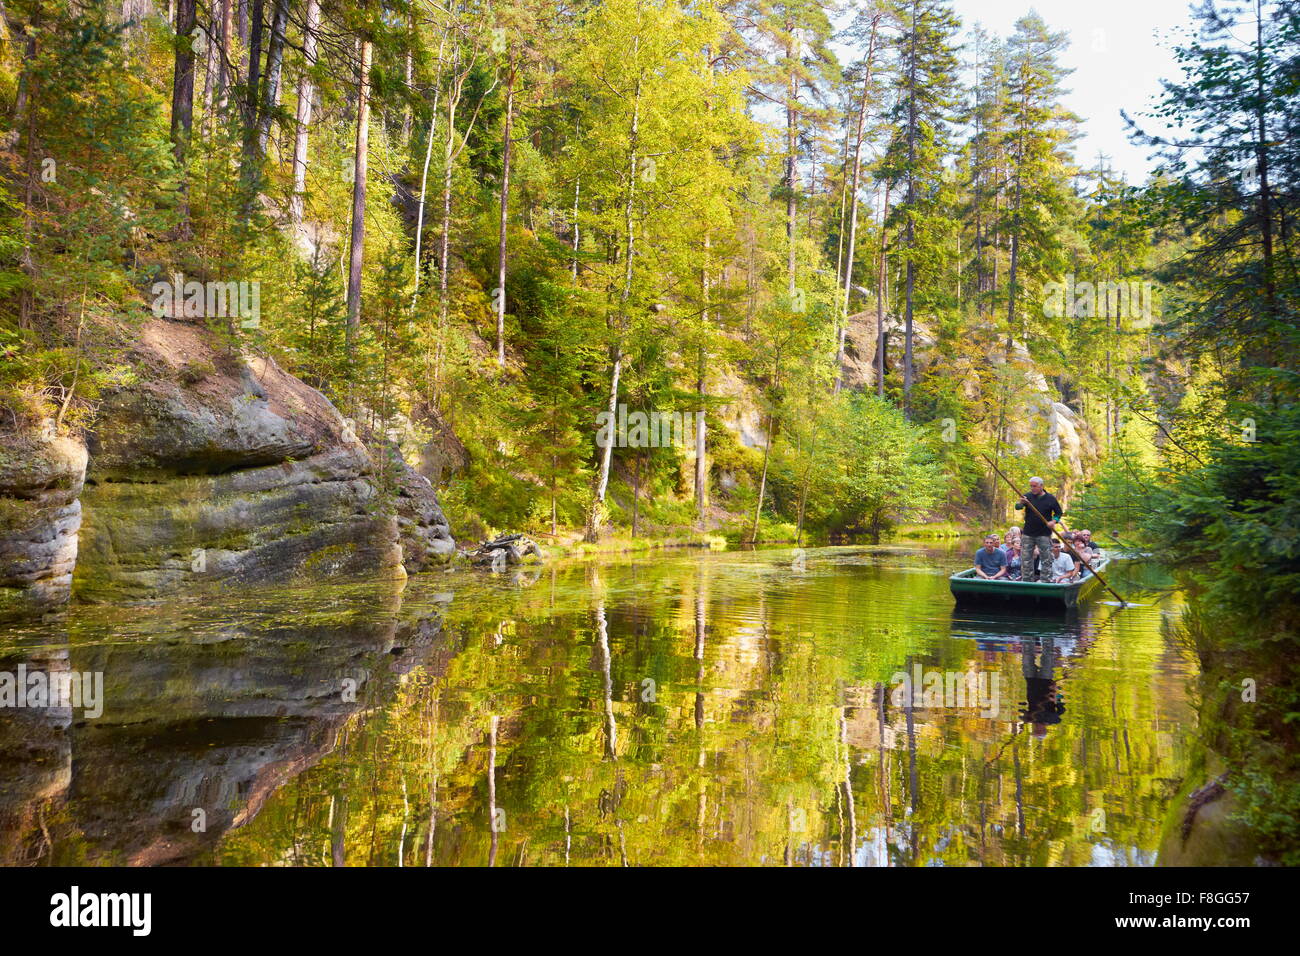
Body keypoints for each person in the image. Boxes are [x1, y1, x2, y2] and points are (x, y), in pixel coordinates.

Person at [1014, 476, 1063, 582]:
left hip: (1044, 533)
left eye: (1035, 486)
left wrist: (1053, 521)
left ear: (1041, 486)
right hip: (1028, 533)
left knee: (1046, 558)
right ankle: (1027, 580)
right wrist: (1021, 503)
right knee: (1026, 559)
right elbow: (1017, 507)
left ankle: (1046, 580)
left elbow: (1059, 513)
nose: (1032, 488)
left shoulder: (1050, 498)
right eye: (1031, 486)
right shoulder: (1027, 497)